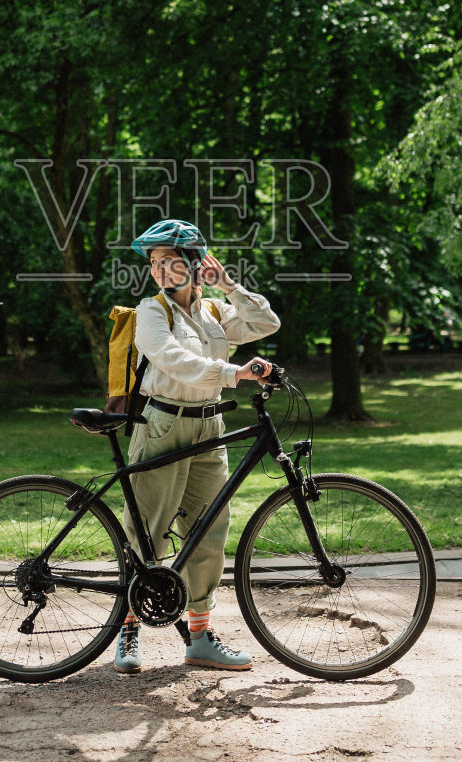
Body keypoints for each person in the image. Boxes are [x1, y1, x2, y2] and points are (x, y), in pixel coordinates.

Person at [114, 218, 281, 675]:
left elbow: (266, 321)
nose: (160, 270)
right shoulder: (152, 311)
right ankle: (127, 629)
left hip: (210, 432)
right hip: (163, 426)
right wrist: (235, 374)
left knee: (208, 533)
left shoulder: (212, 314)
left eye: (170, 261)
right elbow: (173, 359)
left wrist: (226, 284)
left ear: (194, 264)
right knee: (145, 530)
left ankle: (200, 637)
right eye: (154, 262)